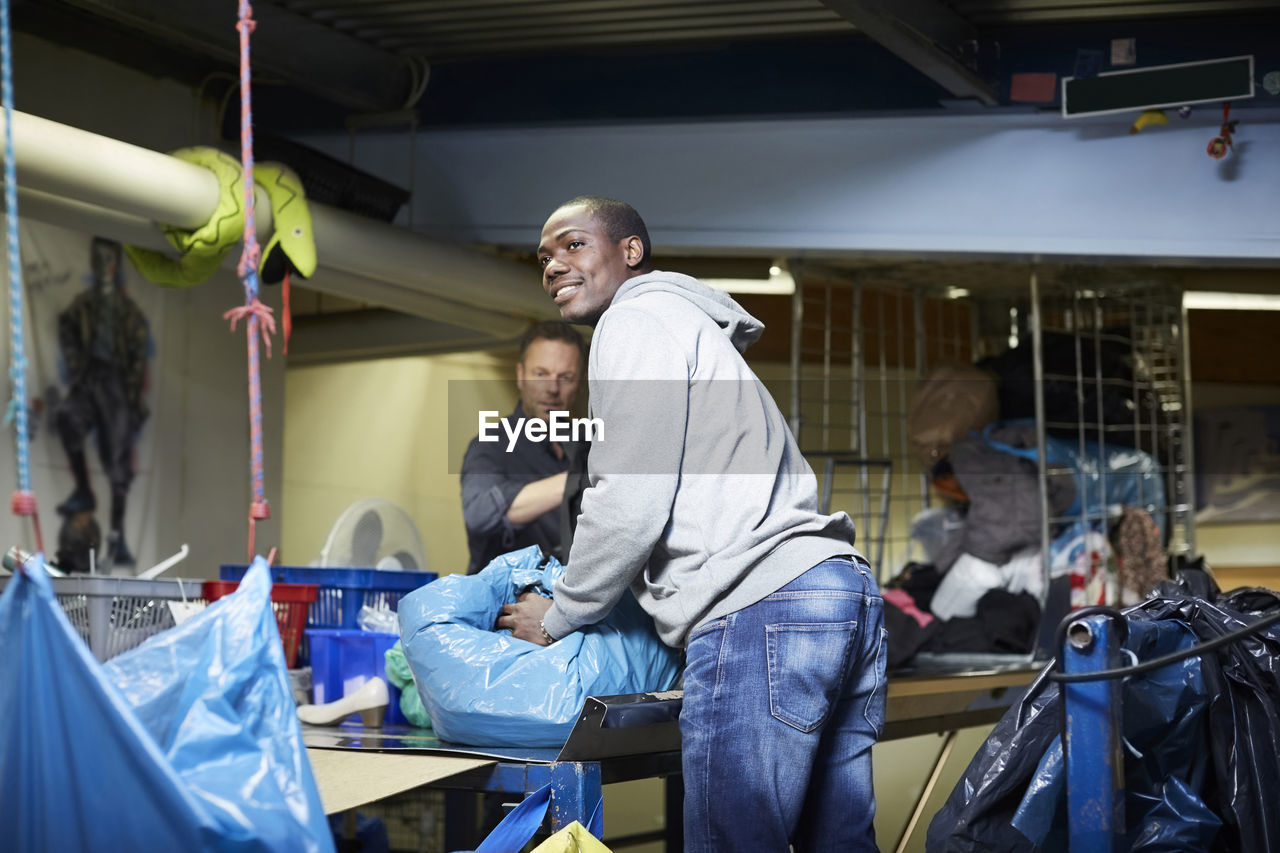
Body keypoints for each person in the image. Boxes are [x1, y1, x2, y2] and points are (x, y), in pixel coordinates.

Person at [498, 197, 887, 851]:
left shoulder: (634, 322)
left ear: (629, 251)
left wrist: (559, 613)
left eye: (571, 245)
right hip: (838, 589)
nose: (552, 264)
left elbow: (629, 505)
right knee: (840, 842)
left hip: (760, 606)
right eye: (543, 257)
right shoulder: (687, 327)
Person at [460, 320, 588, 574]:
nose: (552, 389)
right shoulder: (492, 444)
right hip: (503, 608)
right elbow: (479, 513)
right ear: (520, 375)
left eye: (566, 378)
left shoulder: (588, 447)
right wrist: (581, 480)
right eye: (540, 374)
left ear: (580, 382)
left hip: (564, 606)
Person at [54, 237, 151, 567]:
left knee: (118, 461)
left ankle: (118, 536)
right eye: (98, 258)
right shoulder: (84, 304)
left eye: (107, 258)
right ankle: (83, 488)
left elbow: (138, 350)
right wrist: (76, 363)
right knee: (67, 417)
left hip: (116, 384)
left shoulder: (129, 313)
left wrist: (131, 390)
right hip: (89, 377)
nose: (103, 264)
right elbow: (66, 325)